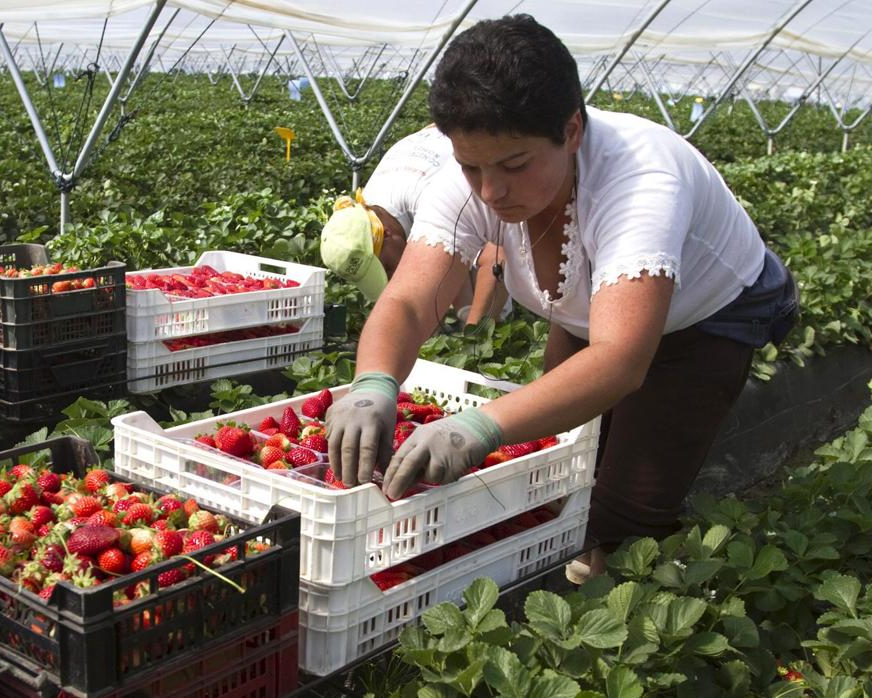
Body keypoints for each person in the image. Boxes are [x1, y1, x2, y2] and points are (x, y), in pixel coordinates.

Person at [325, 15, 798, 582]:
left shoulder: (640, 181)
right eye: (470, 166)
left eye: (514, 165)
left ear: (571, 130)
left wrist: (477, 428)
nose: (490, 190)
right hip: (587, 308)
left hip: (707, 318)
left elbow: (620, 359)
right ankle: (561, 559)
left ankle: (614, 593)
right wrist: (373, 384)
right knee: (566, 454)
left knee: (627, 504)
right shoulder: (472, 182)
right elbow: (406, 302)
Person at [319, 126, 510, 326]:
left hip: (489, 145)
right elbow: (447, 248)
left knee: (496, 298)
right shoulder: (367, 207)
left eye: (388, 267)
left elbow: (497, 255)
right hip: (437, 149)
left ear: (387, 234)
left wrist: (476, 335)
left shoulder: (435, 198)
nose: (390, 277)